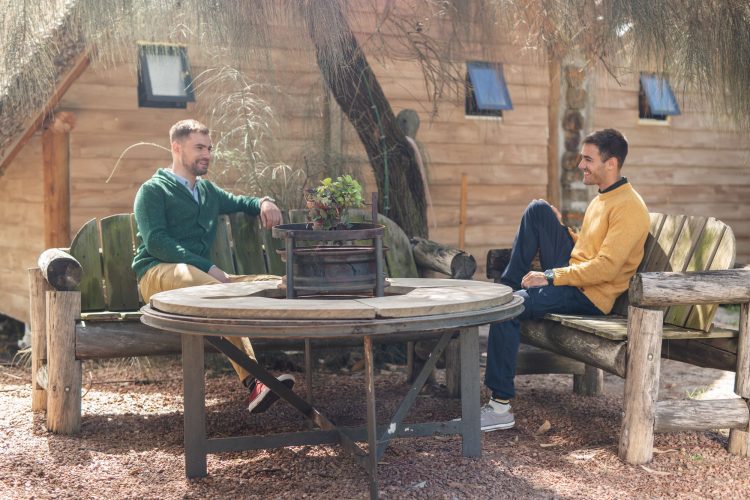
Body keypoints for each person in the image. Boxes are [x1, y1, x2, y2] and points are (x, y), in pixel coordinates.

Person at [481, 128, 650, 432]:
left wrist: (550, 276)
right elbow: (588, 250)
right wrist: (560, 231)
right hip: (577, 277)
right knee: (538, 210)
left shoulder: (629, 207)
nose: (581, 165)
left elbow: (606, 268)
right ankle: (508, 289)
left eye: (588, 159)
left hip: (589, 294)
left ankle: (499, 408)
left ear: (611, 163)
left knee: (508, 308)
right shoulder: (603, 198)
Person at [132, 119, 294, 414]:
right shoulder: (153, 190)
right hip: (157, 274)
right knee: (216, 289)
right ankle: (255, 382)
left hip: (204, 280)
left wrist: (264, 202)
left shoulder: (207, 192)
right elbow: (156, 242)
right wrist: (209, 268)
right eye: (199, 147)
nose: (207, 154)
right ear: (176, 147)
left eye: (209, 148)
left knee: (275, 283)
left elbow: (240, 201)